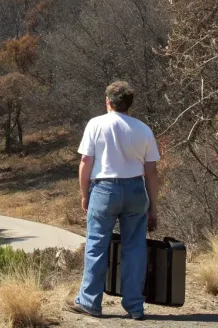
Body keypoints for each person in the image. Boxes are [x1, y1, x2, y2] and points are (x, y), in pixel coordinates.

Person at [65, 81, 160, 321]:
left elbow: (85, 161)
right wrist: (153, 207)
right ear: (129, 103)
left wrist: (85, 194)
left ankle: (90, 302)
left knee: (97, 245)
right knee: (135, 247)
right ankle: (135, 306)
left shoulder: (96, 124)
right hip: (136, 190)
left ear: (108, 101)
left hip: (104, 189)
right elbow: (151, 172)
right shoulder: (143, 129)